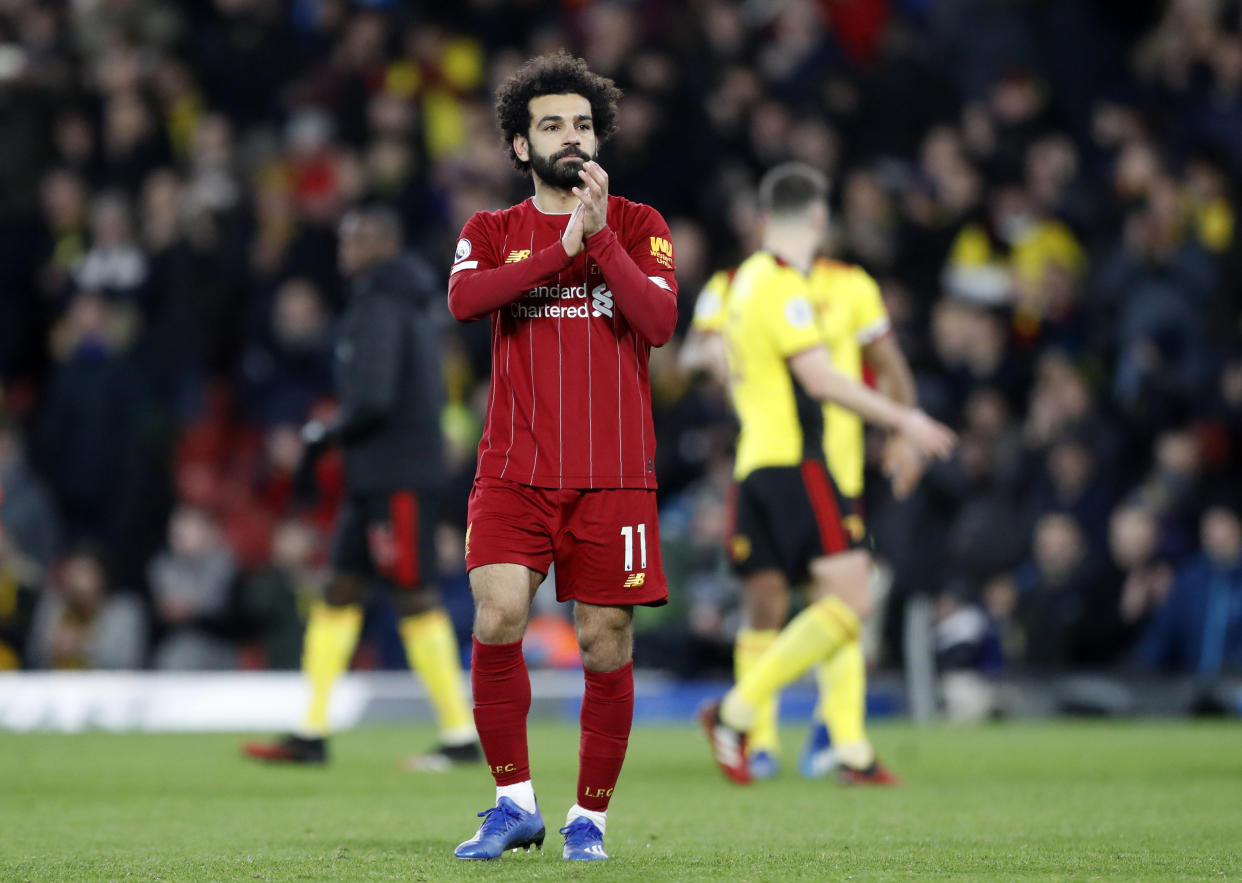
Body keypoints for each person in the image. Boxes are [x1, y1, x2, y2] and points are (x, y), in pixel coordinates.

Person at [445, 51, 678, 862]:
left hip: (614, 471)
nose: (571, 137)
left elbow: (656, 322)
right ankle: (513, 802)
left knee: (606, 640)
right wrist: (560, 247)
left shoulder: (644, 225)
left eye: (582, 123)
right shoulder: (491, 232)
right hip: (515, 466)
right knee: (497, 614)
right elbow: (466, 299)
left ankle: (590, 819)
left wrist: (600, 236)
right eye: (552, 125)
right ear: (520, 146)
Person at [698, 162, 956, 785]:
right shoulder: (780, 285)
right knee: (851, 600)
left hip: (761, 462)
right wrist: (906, 421)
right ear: (818, 218)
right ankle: (738, 714)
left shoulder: (746, 282)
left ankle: (846, 748)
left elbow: (719, 359)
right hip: (798, 464)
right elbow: (820, 379)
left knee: (830, 598)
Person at [242, 206, 480, 769]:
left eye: (356, 239)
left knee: (413, 592)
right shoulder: (405, 303)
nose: (344, 249)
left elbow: (373, 397)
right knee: (339, 589)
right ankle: (311, 731)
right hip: (376, 476)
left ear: (383, 244)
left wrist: (327, 431)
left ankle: (460, 735)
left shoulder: (380, 305)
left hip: (394, 476)